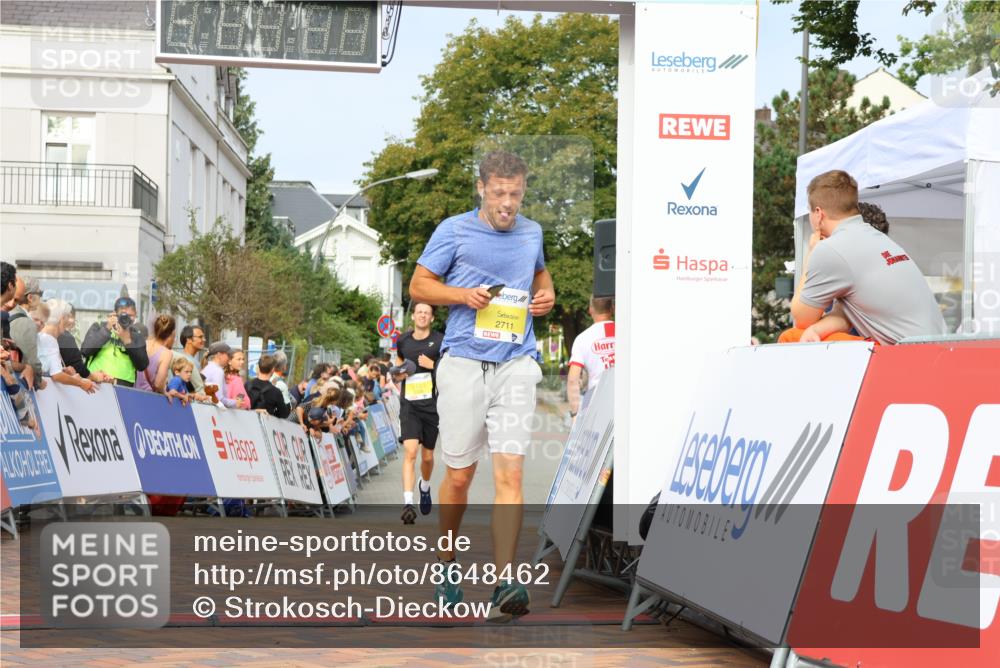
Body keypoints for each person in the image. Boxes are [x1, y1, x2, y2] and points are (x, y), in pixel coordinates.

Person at [409, 150, 555, 621]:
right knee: (460, 475)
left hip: (516, 361)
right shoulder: (454, 230)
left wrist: (546, 295)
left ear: (523, 191)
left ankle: (505, 582)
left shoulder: (532, 232)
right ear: (481, 189)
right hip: (465, 361)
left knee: (510, 473)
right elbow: (419, 285)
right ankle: (447, 565)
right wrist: (459, 295)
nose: (507, 203)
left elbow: (538, 272)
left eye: (514, 194)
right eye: (498, 194)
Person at [781, 170, 946, 344]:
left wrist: (811, 254)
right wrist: (817, 329)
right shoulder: (876, 238)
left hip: (906, 356)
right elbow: (847, 313)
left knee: (791, 337)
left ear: (818, 213)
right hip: (936, 350)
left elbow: (802, 319)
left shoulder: (830, 249)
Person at [394, 302, 445, 524]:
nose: (422, 315)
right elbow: (395, 370)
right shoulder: (403, 341)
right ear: (413, 316)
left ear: (432, 318)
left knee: (428, 456)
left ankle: (424, 485)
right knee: (411, 452)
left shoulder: (441, 341)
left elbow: (449, 371)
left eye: (427, 313)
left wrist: (432, 364)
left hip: (432, 407)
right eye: (419, 312)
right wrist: (399, 375)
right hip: (409, 406)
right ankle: (407, 502)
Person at [81, 296, 149, 386]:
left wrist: (127, 341)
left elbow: (142, 365)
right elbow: (85, 351)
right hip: (96, 382)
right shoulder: (99, 327)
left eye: (131, 316)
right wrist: (107, 329)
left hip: (123, 386)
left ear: (135, 315)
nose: (127, 319)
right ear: (114, 314)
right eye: (123, 315)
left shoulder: (137, 335)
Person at [567, 295, 615, 418]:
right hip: (625, 402)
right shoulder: (627, 333)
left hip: (597, 407)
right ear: (613, 308)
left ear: (590, 310)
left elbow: (573, 380)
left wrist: (574, 413)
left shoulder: (582, 339)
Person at [37, 299, 98, 394]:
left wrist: (66, 373)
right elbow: (56, 375)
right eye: (68, 317)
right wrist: (81, 382)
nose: (70, 321)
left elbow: (50, 370)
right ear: (61, 318)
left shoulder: (43, 336)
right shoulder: (49, 340)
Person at [6, 277, 43, 390]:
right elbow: (32, 360)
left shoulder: (8, 313)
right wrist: (39, 381)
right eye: (40, 293)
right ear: (30, 297)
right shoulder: (26, 323)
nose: (41, 298)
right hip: (18, 383)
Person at [135, 315, 176, 394]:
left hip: (132, 392)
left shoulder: (142, 344)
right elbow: (158, 384)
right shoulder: (166, 354)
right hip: (150, 397)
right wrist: (165, 392)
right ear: (171, 334)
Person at [247, 353, 291, 418]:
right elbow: (284, 414)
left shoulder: (247, 384)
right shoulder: (276, 392)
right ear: (273, 370)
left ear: (258, 367)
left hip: (247, 421)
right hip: (266, 424)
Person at [201, 341, 239, 408]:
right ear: (219, 355)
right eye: (228, 355)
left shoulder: (208, 368)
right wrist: (235, 402)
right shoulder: (217, 371)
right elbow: (219, 398)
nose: (229, 358)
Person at [173, 325, 207, 393]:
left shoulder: (181, 358)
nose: (204, 340)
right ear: (188, 340)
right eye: (200, 337)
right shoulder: (190, 362)